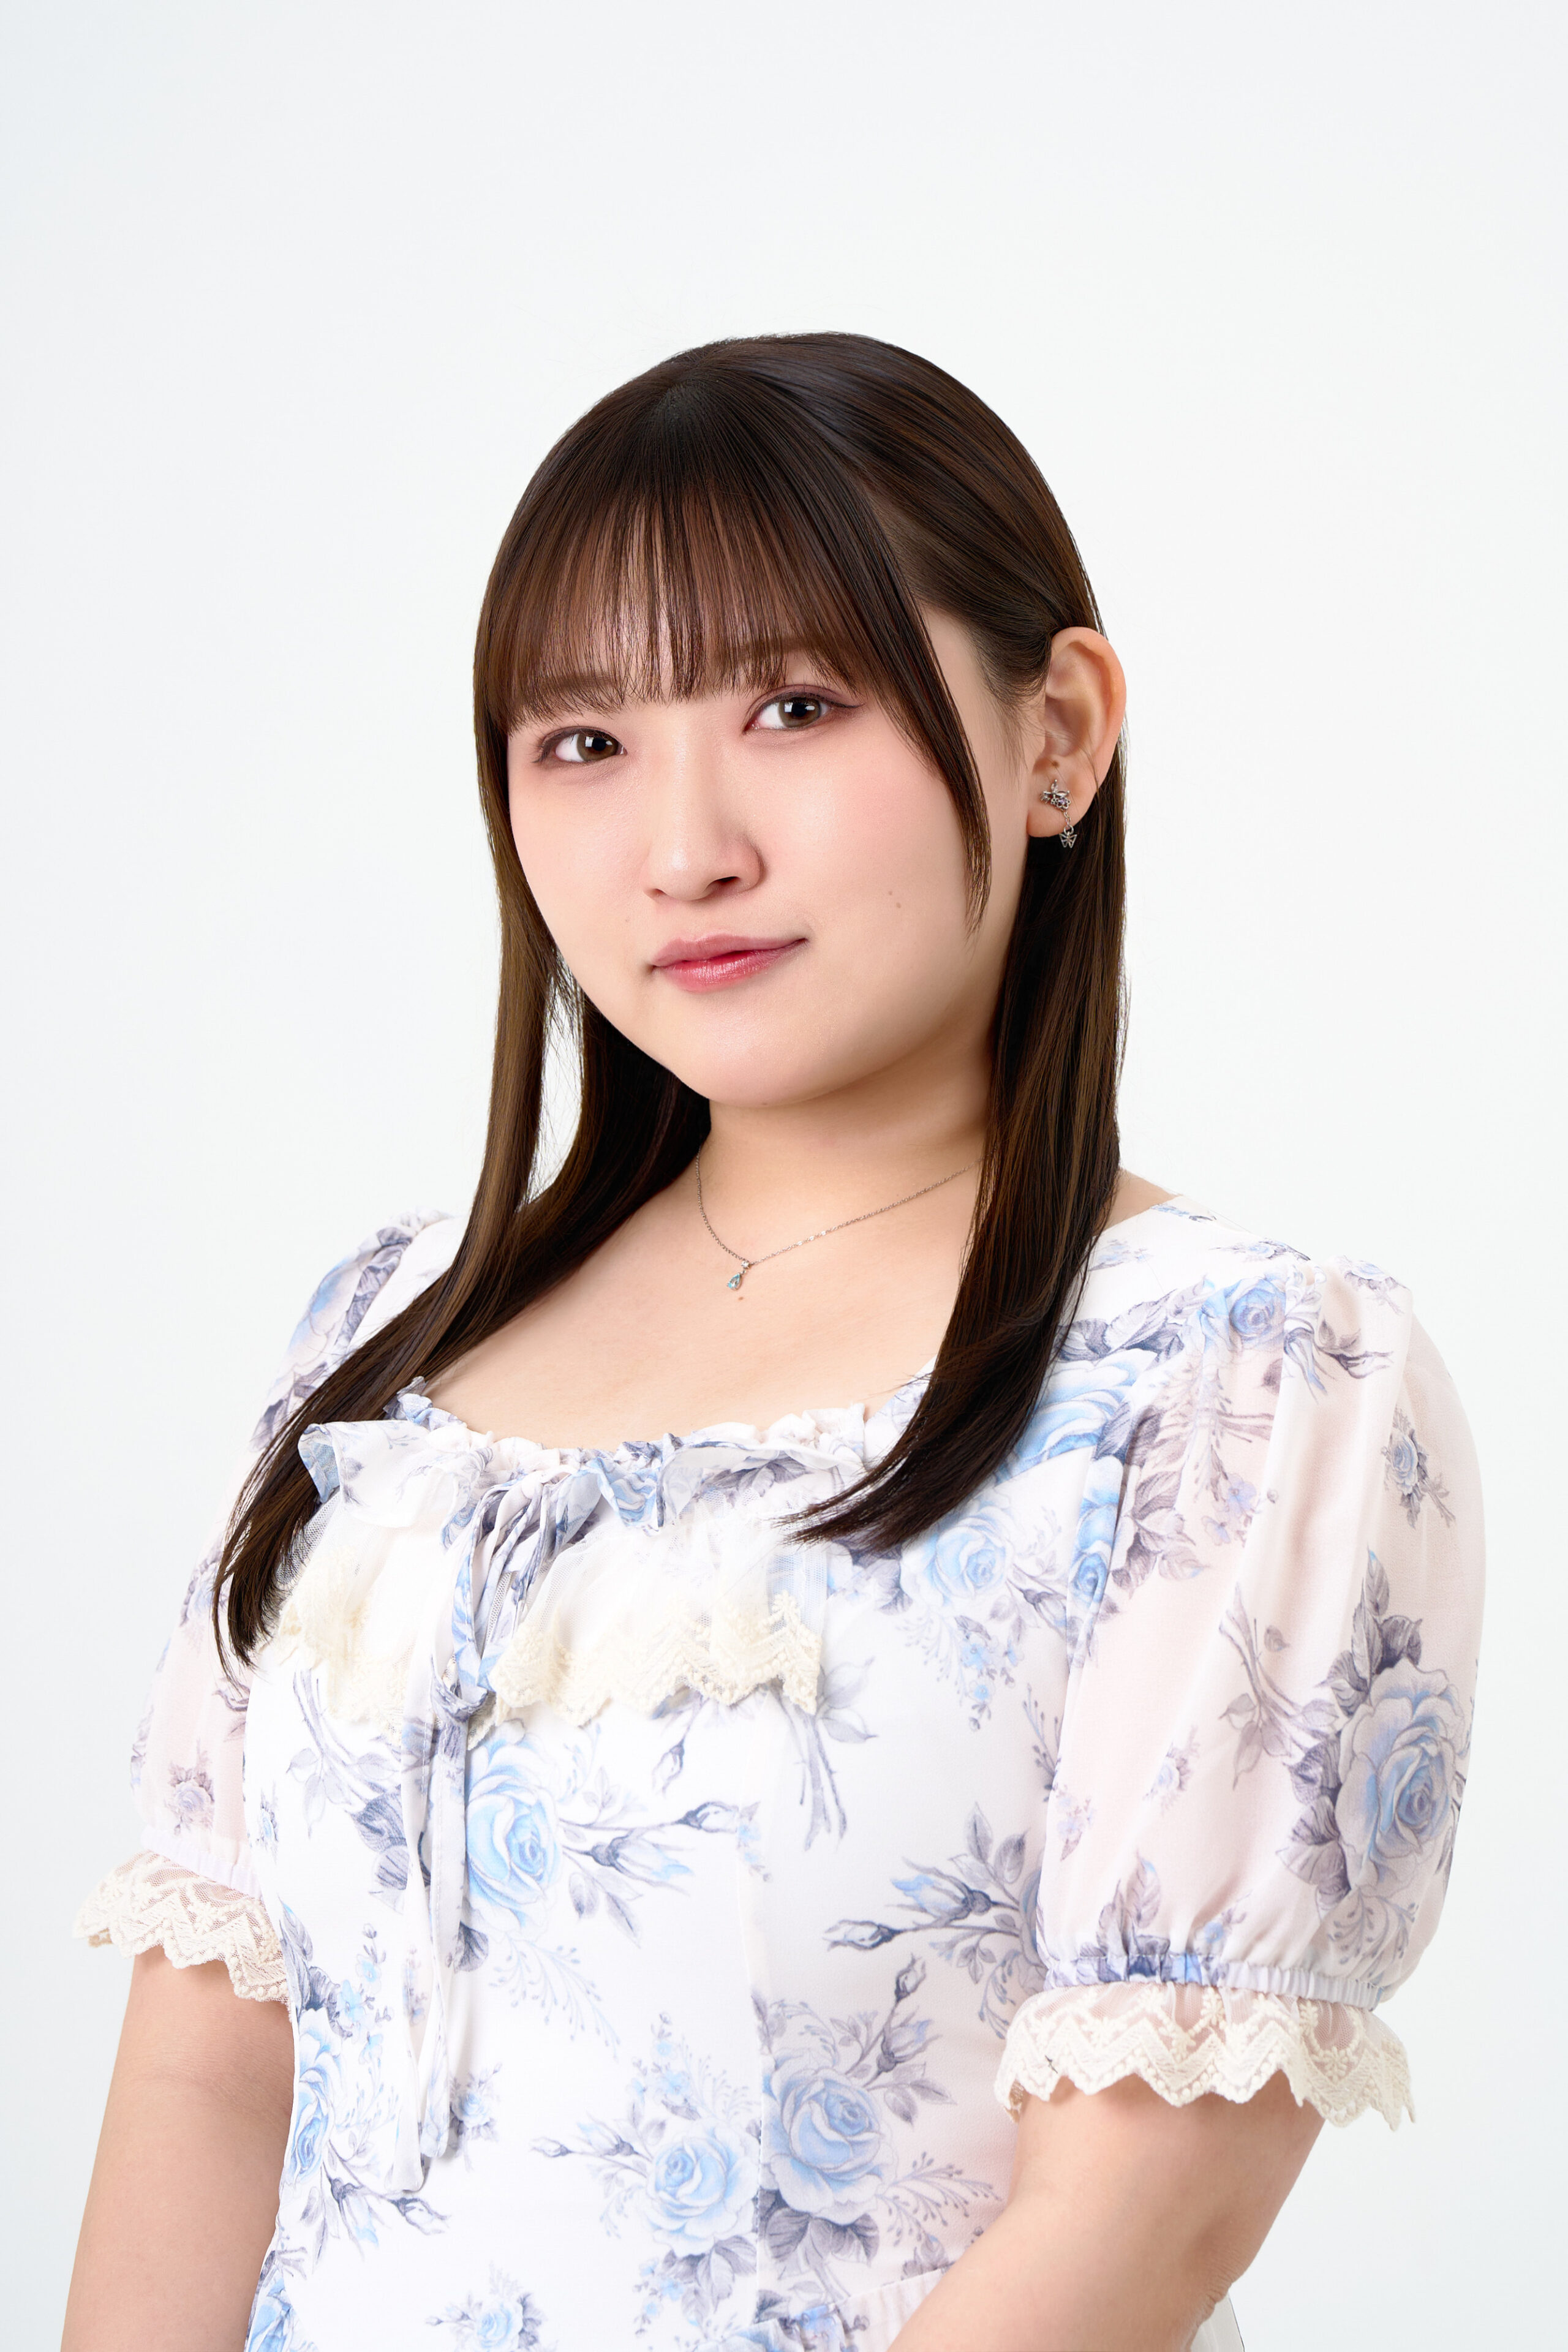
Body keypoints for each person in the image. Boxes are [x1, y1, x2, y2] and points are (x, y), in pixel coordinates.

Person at [64, 333, 1483, 2352]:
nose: (685, 849)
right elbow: (211, 2077)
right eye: (584, 742)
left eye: (797, 708)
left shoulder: (1237, 1379)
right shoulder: (387, 1346)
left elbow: (1138, 2226)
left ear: (1060, 733)